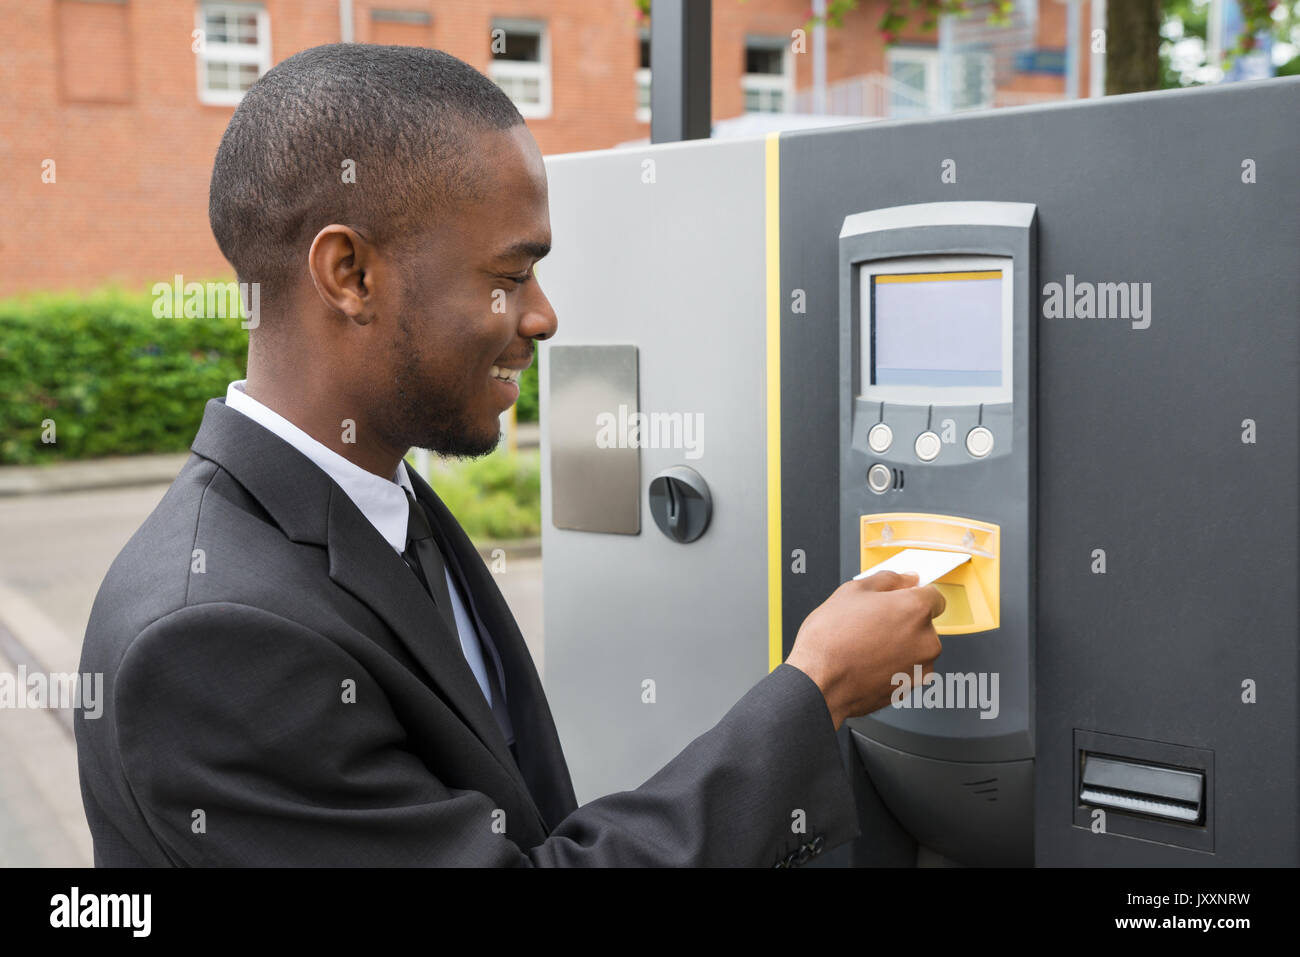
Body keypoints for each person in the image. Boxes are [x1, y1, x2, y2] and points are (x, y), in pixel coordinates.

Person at [74, 44, 944, 867]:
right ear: (350, 274)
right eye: (508, 274)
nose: (543, 316)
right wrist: (815, 688)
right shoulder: (210, 640)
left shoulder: (377, 496)